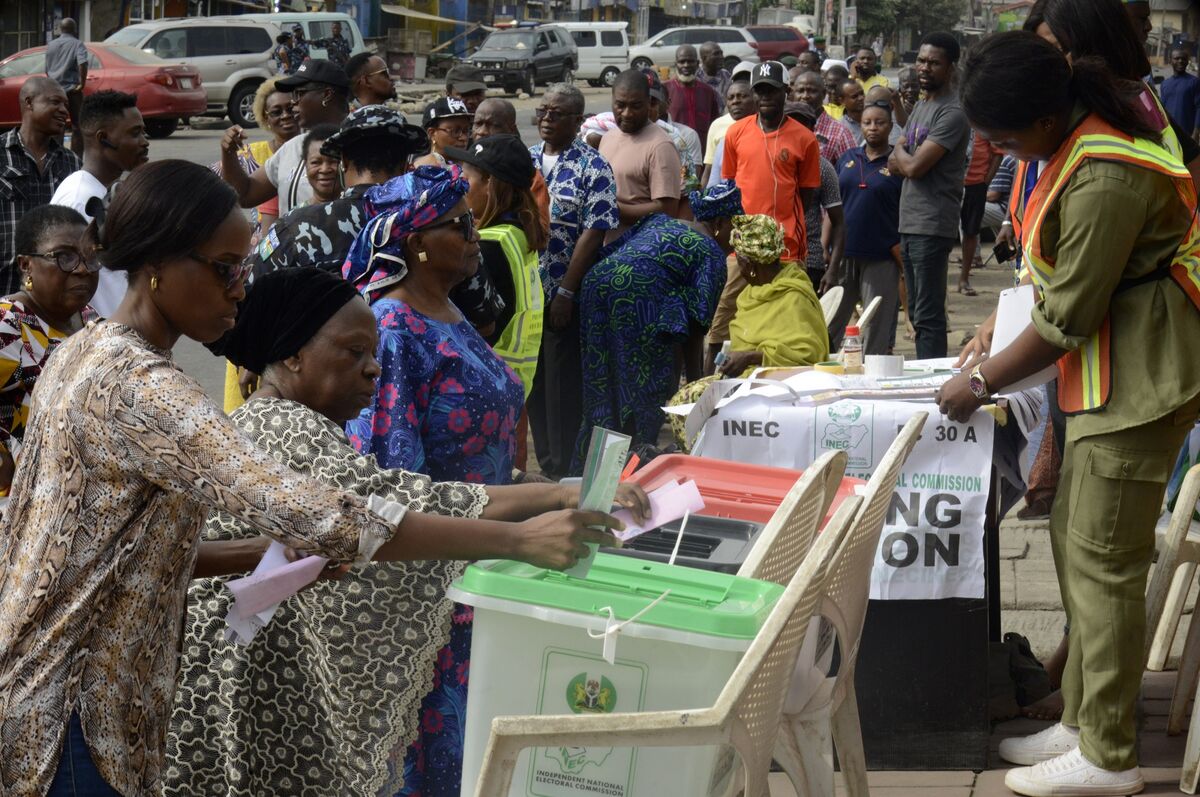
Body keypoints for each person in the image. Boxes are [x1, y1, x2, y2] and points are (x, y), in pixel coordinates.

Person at [0, 160, 620, 797]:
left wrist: (257, 554)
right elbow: (329, 517)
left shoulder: (85, 350)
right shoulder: (144, 389)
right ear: (159, 262)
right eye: (225, 268)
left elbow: (112, 554)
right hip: (78, 704)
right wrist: (520, 540)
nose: (241, 288)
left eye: (244, 266)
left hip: (69, 689)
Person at [167, 267, 650, 797]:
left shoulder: (278, 421)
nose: (374, 370)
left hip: (229, 677)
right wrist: (529, 528)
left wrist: (556, 494)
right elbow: (394, 514)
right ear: (291, 355)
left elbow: (400, 500)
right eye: (353, 353)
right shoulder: (287, 431)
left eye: (372, 354)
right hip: (233, 683)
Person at [941, 32, 1200, 797]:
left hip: (1145, 376)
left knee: (1106, 565)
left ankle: (1109, 753)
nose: (999, 150)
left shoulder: (1104, 176)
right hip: (1110, 375)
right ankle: (1082, 717)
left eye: (1003, 138)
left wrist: (982, 380)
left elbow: (1067, 319)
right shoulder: (1074, 145)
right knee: (1071, 537)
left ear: (1044, 119)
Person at [342, 166, 524, 796]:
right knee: (434, 744)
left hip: (485, 551)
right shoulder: (392, 330)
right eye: (459, 225)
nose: (476, 235)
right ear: (414, 241)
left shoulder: (447, 311)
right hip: (437, 576)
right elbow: (392, 475)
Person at [233, 107, 425, 415]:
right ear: (406, 164)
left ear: (344, 163)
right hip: (423, 400)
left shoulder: (298, 225)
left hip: (322, 402)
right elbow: (484, 315)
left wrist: (263, 360)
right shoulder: (439, 224)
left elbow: (247, 300)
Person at [577, 181, 738, 463]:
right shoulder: (710, 253)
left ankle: (591, 471)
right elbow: (696, 328)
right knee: (642, 388)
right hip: (635, 300)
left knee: (602, 386)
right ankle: (634, 466)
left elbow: (615, 251)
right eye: (734, 227)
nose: (735, 238)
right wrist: (694, 394)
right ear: (720, 222)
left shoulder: (661, 221)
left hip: (596, 286)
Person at [528, 84, 618, 479]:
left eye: (558, 113)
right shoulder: (527, 161)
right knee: (532, 379)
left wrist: (566, 290)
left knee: (560, 384)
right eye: (544, 110)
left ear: (577, 121)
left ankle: (562, 467)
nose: (547, 118)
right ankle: (545, 459)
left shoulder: (592, 167)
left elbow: (595, 230)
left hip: (565, 292)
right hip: (526, 290)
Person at [0, 205, 98, 495]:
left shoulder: (89, 318)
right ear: (26, 265)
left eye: (90, 256)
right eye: (64, 256)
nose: (81, 269)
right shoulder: (10, 323)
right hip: (19, 510)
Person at [444, 135, 547, 396]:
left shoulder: (488, 244)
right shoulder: (519, 232)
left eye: (466, 178)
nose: (460, 186)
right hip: (513, 379)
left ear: (490, 182)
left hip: (484, 380)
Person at [888, 32, 969, 359]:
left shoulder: (953, 113)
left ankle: (934, 383)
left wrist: (900, 150)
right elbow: (899, 164)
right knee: (918, 314)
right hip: (910, 220)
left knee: (929, 314)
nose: (924, 68)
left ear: (951, 67)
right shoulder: (923, 104)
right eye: (921, 60)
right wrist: (904, 156)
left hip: (932, 223)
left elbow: (913, 166)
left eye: (933, 63)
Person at [49, 89, 148, 317]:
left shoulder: (102, 192)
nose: (145, 142)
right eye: (135, 134)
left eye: (144, 132)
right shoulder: (80, 200)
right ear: (103, 138)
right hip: (104, 340)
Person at [220, 59, 350, 217]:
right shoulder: (293, 147)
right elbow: (244, 195)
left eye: (298, 94)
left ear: (327, 95)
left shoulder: (361, 144)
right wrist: (229, 153)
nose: (293, 103)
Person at [722, 60, 821, 265]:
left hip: (786, 245)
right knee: (729, 298)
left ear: (786, 91)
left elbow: (806, 194)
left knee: (787, 297)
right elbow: (730, 186)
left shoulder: (805, 138)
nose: (765, 96)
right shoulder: (735, 132)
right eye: (760, 90)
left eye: (772, 90)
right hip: (743, 243)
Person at [827, 101, 905, 354]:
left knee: (876, 322)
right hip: (843, 253)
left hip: (881, 256)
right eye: (867, 123)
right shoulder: (848, 159)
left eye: (880, 123)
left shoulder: (897, 163)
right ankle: (825, 365)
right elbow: (833, 205)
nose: (873, 128)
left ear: (890, 126)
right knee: (832, 318)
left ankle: (873, 373)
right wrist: (825, 245)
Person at [716, 213, 829, 376]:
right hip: (746, 379)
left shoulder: (794, 296)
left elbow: (808, 354)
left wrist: (750, 357)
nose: (739, 270)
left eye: (739, 262)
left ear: (750, 266)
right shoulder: (752, 293)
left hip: (777, 384)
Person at [0, 78, 80, 295]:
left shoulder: (71, 162)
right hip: (6, 286)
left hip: (53, 291)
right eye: (55, 102)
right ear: (29, 102)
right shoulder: (2, 154)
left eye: (66, 105)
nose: (64, 110)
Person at [597, 69, 683, 242]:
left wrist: (611, 209)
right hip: (604, 250)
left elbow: (667, 210)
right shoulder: (607, 138)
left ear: (649, 103)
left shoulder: (661, 146)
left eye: (635, 106)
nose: (627, 113)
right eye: (620, 105)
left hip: (640, 253)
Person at [469, 97, 552, 234]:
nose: (482, 131)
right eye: (478, 123)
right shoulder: (464, 165)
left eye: (493, 125)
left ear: (512, 129)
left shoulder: (529, 177)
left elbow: (539, 232)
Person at [786, 102, 845, 288]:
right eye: (789, 124)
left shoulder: (823, 168)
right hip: (771, 257)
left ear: (812, 130)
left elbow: (839, 222)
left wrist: (833, 269)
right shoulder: (766, 160)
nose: (795, 131)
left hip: (809, 260)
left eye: (801, 125)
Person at [958, 130, 1003, 296]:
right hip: (949, 182)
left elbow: (998, 153)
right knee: (944, 233)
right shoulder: (951, 116)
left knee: (971, 231)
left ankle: (964, 279)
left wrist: (985, 182)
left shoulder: (981, 122)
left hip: (975, 185)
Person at [666, 44, 722, 158]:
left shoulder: (708, 92)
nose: (686, 65)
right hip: (674, 152)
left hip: (702, 153)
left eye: (690, 61)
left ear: (697, 64)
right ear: (676, 64)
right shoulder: (665, 89)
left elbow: (714, 125)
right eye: (682, 61)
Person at [44, 18, 88, 157]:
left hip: (54, 91)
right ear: (74, 29)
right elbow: (83, 63)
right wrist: (82, 84)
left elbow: (47, 69)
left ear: (61, 29)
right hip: (72, 91)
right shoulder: (77, 44)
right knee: (78, 126)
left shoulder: (51, 45)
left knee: (57, 124)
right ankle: (76, 158)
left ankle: (56, 157)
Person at [790, 70, 856, 163]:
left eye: (812, 91)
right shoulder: (783, 126)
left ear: (824, 94)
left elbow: (851, 171)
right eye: (800, 91)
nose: (805, 96)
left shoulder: (840, 133)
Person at [701, 78, 753, 188]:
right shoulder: (721, 134)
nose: (735, 101)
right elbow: (710, 170)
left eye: (742, 96)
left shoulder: (765, 130)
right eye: (730, 98)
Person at [413, 96, 472, 168]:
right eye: (455, 131)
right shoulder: (417, 173)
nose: (464, 137)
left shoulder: (477, 170)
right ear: (432, 133)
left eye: (466, 131)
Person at [1161, 47, 1200, 141]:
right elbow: (1162, 110)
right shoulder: (1165, 84)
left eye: (1183, 59)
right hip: (1169, 135)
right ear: (1170, 61)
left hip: (1188, 134)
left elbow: (1199, 108)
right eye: (1177, 58)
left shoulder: (1194, 82)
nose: (1180, 61)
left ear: (1187, 61)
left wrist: (1195, 134)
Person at [298, 124, 342, 205]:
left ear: (345, 163)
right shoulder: (294, 216)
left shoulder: (364, 212)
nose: (324, 169)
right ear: (305, 165)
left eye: (333, 161)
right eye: (315, 162)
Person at [981, 154, 1017, 237]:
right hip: (1011, 208)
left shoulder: (1004, 160)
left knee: (966, 209)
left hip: (1007, 211)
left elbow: (993, 195)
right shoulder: (1012, 157)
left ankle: (971, 250)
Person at [698, 41, 731, 112]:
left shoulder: (726, 75)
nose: (721, 57)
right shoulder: (696, 78)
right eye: (716, 54)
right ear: (704, 58)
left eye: (721, 53)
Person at [839, 78, 866, 143]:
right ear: (842, 101)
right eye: (854, 96)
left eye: (862, 93)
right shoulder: (840, 129)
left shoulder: (875, 119)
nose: (861, 98)